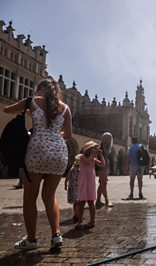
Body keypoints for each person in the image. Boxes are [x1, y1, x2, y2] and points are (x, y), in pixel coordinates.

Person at [3, 79, 72, 250]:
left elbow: (7, 109)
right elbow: (68, 134)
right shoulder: (65, 108)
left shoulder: (32, 101)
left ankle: (32, 239)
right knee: (49, 196)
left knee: (30, 197)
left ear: (40, 89)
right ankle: (56, 235)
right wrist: (53, 134)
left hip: (37, 152)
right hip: (59, 154)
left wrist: (29, 110)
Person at [75, 141, 105, 229]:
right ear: (88, 149)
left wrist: (101, 155)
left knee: (91, 201)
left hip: (90, 182)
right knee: (81, 202)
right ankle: (79, 222)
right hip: (83, 181)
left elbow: (103, 164)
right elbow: (87, 162)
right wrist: (92, 154)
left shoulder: (93, 159)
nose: (96, 150)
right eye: (94, 148)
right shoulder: (82, 157)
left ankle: (92, 221)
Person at [95, 132, 114, 208]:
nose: (108, 139)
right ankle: (107, 200)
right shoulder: (101, 146)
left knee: (102, 184)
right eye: (107, 138)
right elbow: (101, 155)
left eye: (109, 138)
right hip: (102, 167)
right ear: (103, 138)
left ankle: (98, 201)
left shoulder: (106, 146)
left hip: (105, 167)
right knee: (103, 184)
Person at [65, 154, 81, 223]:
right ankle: (77, 215)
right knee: (77, 203)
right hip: (77, 188)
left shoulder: (71, 168)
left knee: (75, 203)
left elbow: (67, 178)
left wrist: (65, 185)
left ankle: (76, 214)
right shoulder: (80, 170)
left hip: (72, 188)